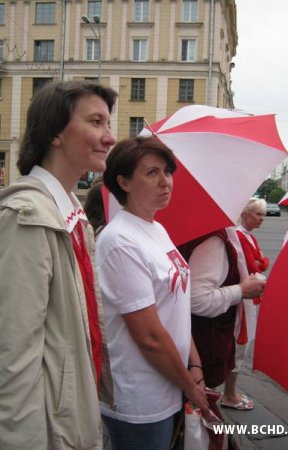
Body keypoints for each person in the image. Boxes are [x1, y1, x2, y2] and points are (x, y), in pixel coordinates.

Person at [0, 80, 117, 449]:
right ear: (55, 134)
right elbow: (12, 355)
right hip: (48, 429)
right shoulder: (27, 217)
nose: (110, 137)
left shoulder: (70, 214)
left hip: (71, 414)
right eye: (96, 122)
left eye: (108, 124)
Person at [95, 136, 209, 450]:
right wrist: (191, 387)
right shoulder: (120, 241)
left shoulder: (157, 229)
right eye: (152, 173)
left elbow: (176, 305)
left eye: (168, 172)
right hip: (140, 399)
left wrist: (195, 365)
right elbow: (149, 336)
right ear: (124, 182)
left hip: (172, 381)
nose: (165, 182)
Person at [178, 223, 265, 409]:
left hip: (192, 340)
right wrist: (241, 290)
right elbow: (198, 300)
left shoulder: (202, 229)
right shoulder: (212, 237)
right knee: (194, 412)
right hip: (204, 342)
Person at [221, 198, 269, 410]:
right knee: (240, 346)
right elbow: (255, 265)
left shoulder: (248, 237)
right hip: (244, 300)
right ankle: (229, 394)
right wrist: (260, 262)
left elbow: (262, 263)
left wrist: (260, 262)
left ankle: (229, 392)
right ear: (246, 213)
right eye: (258, 214)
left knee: (242, 345)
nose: (262, 219)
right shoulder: (240, 235)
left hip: (249, 298)